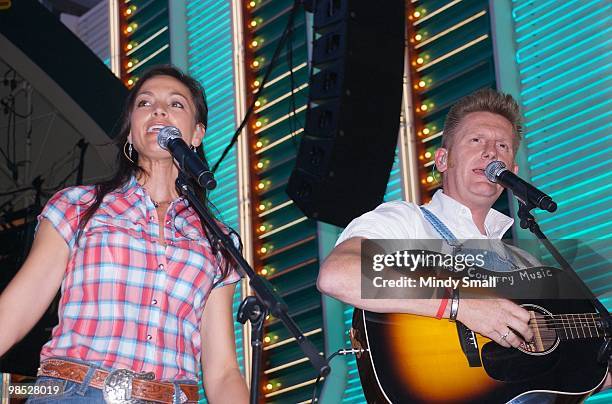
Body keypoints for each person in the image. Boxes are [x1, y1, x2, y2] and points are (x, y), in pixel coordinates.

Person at [317, 88, 610, 398]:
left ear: (513, 172)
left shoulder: (528, 266)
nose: (491, 152)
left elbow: (559, 379)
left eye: (502, 146)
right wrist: (462, 305)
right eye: (476, 141)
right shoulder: (406, 221)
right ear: (443, 159)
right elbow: (339, 274)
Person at [0, 65, 249, 403]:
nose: (159, 109)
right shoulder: (78, 206)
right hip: (74, 392)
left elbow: (222, 371)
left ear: (196, 135)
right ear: (131, 133)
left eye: (176, 104)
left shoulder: (217, 240)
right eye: (145, 104)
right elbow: (15, 310)